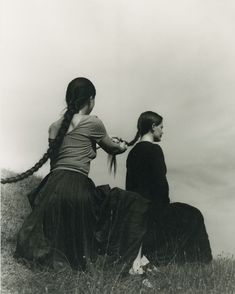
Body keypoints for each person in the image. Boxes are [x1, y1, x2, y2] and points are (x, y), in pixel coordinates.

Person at [1, 78, 150, 271]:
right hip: (77, 185)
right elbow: (114, 149)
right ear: (90, 99)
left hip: (52, 187)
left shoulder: (54, 126)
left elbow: (57, 161)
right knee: (135, 202)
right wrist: (121, 145)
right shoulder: (93, 122)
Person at [126, 111, 213, 265]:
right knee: (193, 215)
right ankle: (157, 259)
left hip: (136, 210)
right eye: (161, 127)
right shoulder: (154, 150)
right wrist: (165, 207)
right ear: (153, 127)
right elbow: (161, 184)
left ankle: (153, 258)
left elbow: (130, 185)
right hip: (154, 211)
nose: (162, 131)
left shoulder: (132, 152)